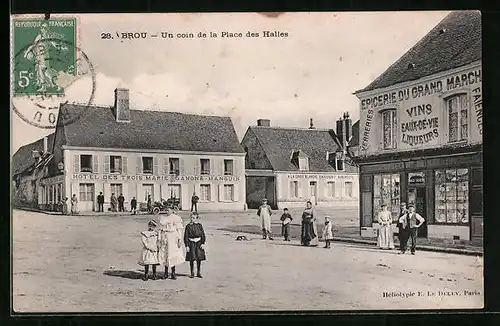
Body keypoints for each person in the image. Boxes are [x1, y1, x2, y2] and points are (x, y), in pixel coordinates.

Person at [157, 206, 185, 280]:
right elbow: (160, 230)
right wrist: (159, 239)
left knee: (172, 254)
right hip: (165, 237)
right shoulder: (163, 218)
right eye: (166, 210)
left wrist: (179, 239)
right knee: (165, 254)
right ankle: (166, 272)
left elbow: (179, 230)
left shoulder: (176, 218)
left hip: (173, 237)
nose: (167, 211)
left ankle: (173, 272)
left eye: (168, 210)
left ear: (172, 210)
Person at [184, 212, 207, 278]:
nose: (192, 219)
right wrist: (187, 245)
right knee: (192, 258)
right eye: (191, 218)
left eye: (194, 218)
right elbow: (186, 236)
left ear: (197, 218)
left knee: (199, 258)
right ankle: (192, 272)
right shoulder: (188, 226)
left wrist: (202, 243)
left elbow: (203, 235)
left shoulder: (199, 225)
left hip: (198, 243)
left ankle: (198, 272)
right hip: (191, 243)